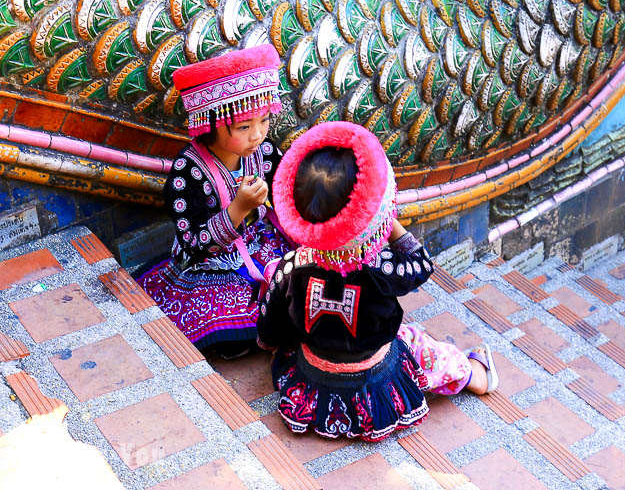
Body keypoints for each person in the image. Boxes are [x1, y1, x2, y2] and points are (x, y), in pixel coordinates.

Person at [257, 121, 499, 441]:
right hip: (372, 376)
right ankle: (474, 376)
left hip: (314, 374)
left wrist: (276, 345)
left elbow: (269, 331)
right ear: (373, 212)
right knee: (415, 341)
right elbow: (421, 265)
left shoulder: (290, 266)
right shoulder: (380, 267)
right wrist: (391, 224)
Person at [137, 44, 292, 359]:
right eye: (244, 127)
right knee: (224, 323)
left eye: (264, 122)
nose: (257, 135)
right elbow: (193, 244)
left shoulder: (264, 152)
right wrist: (238, 209)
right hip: (210, 262)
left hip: (262, 243)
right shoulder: (188, 172)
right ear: (211, 124)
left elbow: (286, 194)